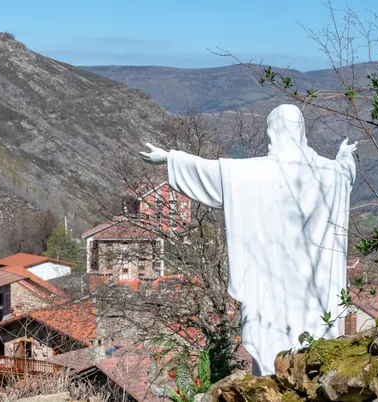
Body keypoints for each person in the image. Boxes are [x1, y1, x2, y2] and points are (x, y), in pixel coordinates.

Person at [140, 104, 356, 374]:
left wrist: (171, 158)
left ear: (274, 132)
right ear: (301, 132)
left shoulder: (257, 172)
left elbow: (212, 172)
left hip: (273, 282)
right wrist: (344, 156)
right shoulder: (329, 173)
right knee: (312, 350)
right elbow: (345, 174)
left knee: (273, 348)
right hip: (314, 284)